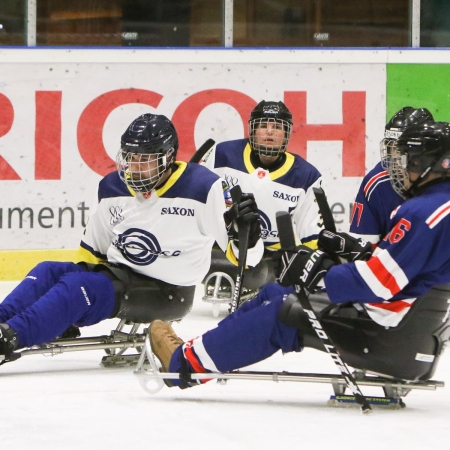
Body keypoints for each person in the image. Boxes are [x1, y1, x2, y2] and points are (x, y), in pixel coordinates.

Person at [148, 120, 450, 387]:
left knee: (282, 309)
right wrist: (358, 251)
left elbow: (379, 282)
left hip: (383, 337)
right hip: (412, 335)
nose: (400, 169)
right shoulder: (440, 205)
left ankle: (183, 364)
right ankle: (201, 348)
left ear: (433, 165)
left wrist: (320, 272)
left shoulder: (423, 212)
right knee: (275, 291)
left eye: (410, 161)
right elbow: (410, 265)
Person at [0, 113, 263, 364]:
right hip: (121, 275)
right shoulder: (111, 187)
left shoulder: (206, 188)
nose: (134, 168)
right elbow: (93, 253)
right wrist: (63, 312)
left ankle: (9, 338)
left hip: (168, 292)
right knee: (48, 272)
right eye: (130, 158)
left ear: (168, 157)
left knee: (78, 287)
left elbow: (247, 258)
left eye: (145, 160)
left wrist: (248, 237)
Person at [201, 100, 324, 297]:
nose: (269, 132)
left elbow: (312, 237)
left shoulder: (306, 176)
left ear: (287, 134)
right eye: (263, 126)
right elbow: (198, 201)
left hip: (272, 257)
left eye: (277, 127)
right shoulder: (222, 155)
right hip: (225, 245)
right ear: (252, 130)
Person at [349, 106, 434, 245]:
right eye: (393, 148)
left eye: (403, 149)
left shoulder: (443, 182)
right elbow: (363, 250)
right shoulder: (377, 183)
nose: (396, 158)